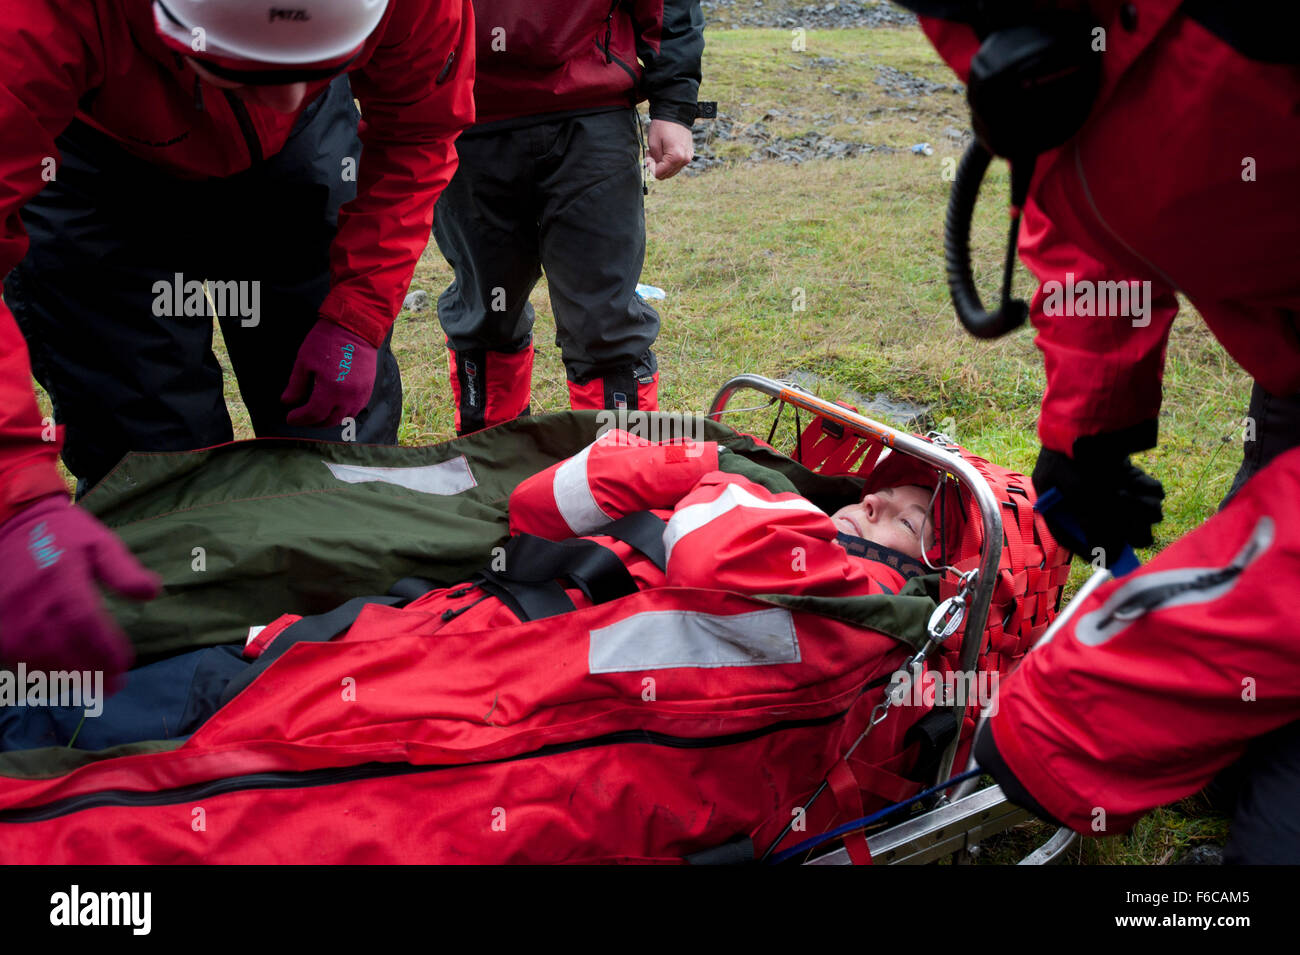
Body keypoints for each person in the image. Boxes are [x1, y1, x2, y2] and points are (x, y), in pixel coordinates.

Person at [906, 1, 1300, 861]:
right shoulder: (1016, 23)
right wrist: (1093, 429)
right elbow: (1090, 199)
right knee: (1235, 746)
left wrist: (1071, 723)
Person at [0, 0, 475, 680]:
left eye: (316, 69)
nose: (282, 98)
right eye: (243, 72)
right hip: (88, 164)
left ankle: (357, 666)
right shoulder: (37, 19)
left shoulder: (418, 8)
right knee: (155, 459)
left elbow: (421, 132)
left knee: (337, 455)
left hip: (301, 165)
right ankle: (181, 689)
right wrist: (15, 491)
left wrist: (358, 313)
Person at [0, 430, 956, 752]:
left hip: (457, 691)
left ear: (923, 569)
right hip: (424, 631)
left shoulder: (848, 593)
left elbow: (717, 554)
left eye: (902, 514)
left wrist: (713, 473)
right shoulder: (765, 519)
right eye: (879, 488)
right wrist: (674, 462)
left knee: (182, 730)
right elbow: (543, 506)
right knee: (199, 680)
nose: (869, 500)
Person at [431, 0, 705, 434]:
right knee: (485, 306)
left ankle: (619, 477)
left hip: (590, 108)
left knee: (604, 318)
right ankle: (489, 459)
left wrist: (674, 106)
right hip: (466, 112)